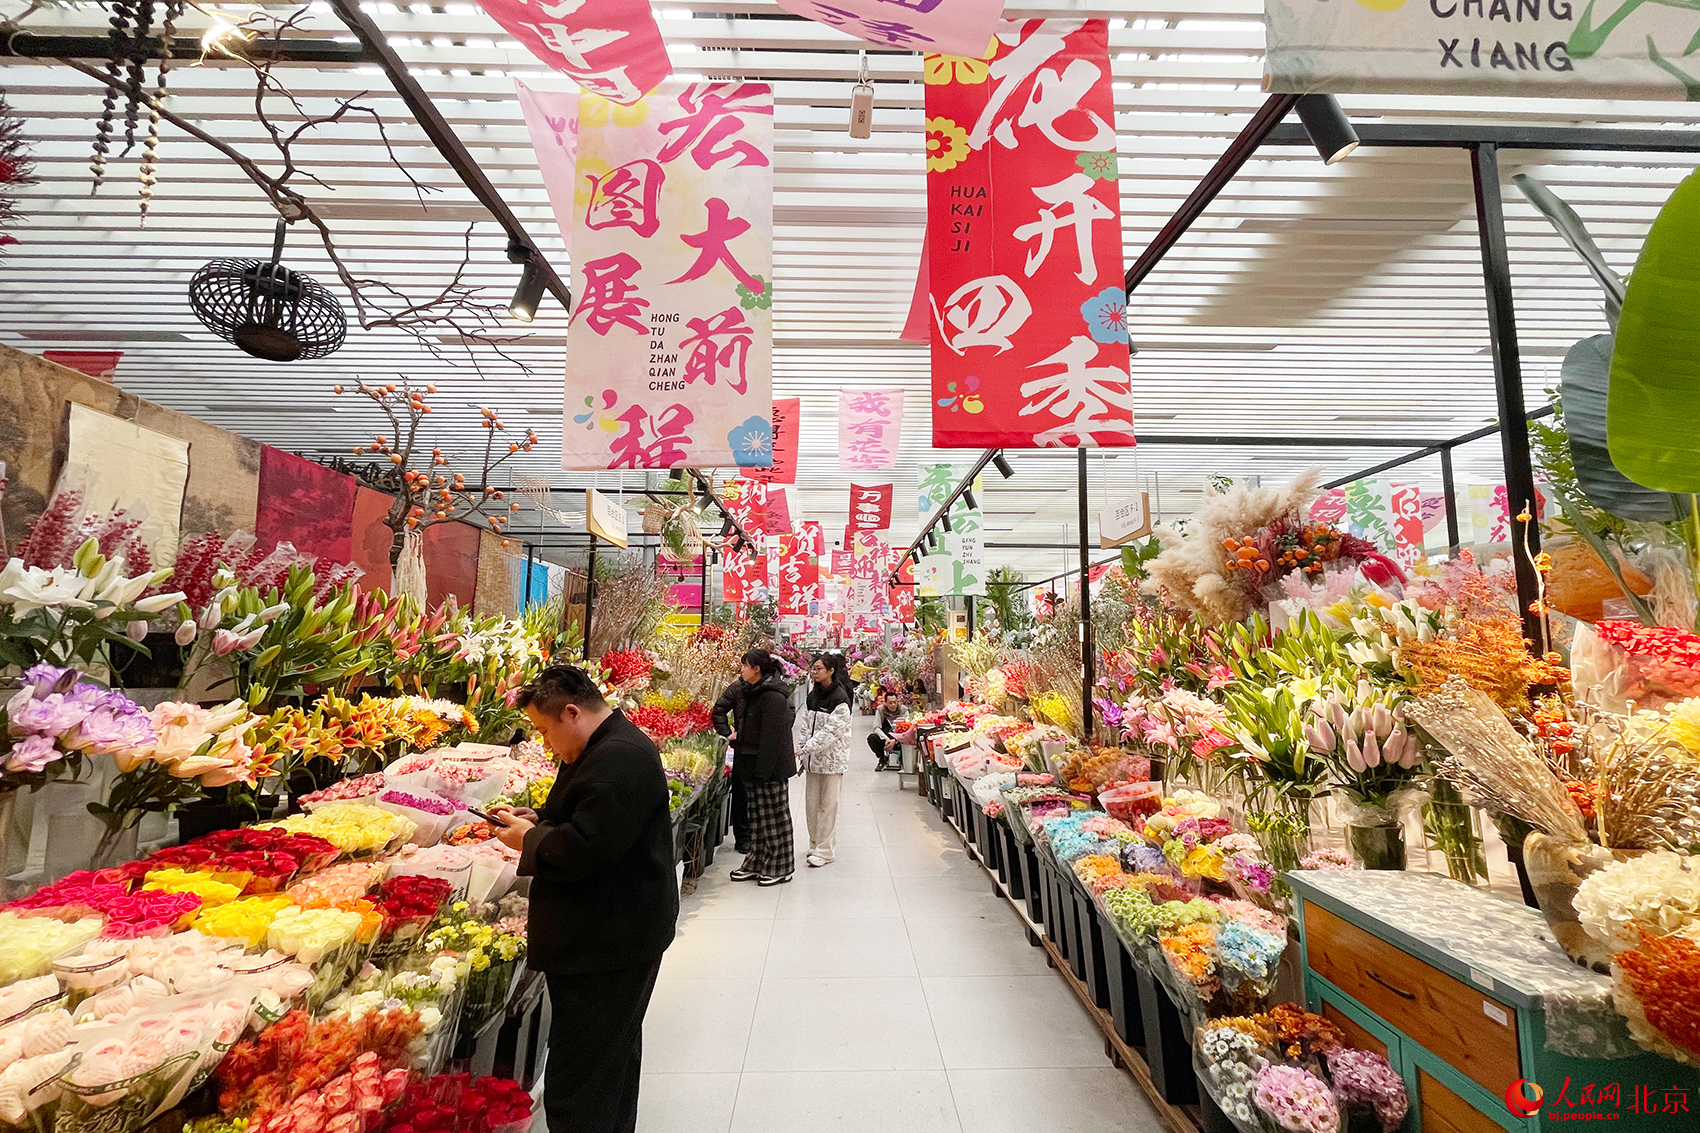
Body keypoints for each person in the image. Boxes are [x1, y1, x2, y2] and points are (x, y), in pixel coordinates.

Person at [489, 666, 678, 1133]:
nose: (546, 742)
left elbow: (587, 849)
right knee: (608, 1061)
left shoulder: (618, 758)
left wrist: (531, 839)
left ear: (572, 713)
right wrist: (536, 819)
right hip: (614, 933)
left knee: (582, 1076)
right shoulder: (605, 746)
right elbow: (589, 817)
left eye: (544, 730)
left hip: (609, 942)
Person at [727, 648, 797, 886]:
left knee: (775, 817)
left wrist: (763, 771)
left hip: (769, 767)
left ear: (756, 669)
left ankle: (781, 866)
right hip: (751, 763)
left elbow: (772, 739)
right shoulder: (752, 691)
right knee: (757, 818)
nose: (742, 670)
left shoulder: (773, 697)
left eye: (745, 666)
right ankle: (757, 861)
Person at [794, 652, 852, 867]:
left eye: (819, 668)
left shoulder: (840, 698)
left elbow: (831, 732)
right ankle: (814, 843)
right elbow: (806, 725)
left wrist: (806, 748)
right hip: (812, 762)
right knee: (812, 805)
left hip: (832, 761)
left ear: (831, 671)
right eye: (814, 668)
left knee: (828, 806)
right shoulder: (812, 695)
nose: (815, 672)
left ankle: (825, 851)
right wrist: (801, 746)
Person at [711, 677, 751, 853]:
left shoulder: (771, 688)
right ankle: (743, 839)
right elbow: (718, 710)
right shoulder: (738, 688)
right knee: (741, 794)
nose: (742, 671)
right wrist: (727, 733)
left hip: (762, 750)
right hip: (742, 750)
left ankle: (757, 836)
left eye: (746, 666)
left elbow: (788, 712)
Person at [868, 689, 904, 771]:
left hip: (900, 738)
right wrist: (886, 738)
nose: (893, 705)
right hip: (886, 736)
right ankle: (882, 759)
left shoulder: (903, 710)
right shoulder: (880, 710)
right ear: (885, 703)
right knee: (872, 738)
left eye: (895, 702)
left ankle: (903, 760)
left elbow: (908, 730)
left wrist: (896, 740)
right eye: (890, 703)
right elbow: (876, 727)